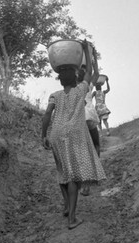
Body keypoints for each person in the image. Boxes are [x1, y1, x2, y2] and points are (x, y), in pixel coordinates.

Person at [42, 40, 106, 230]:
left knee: (62, 171)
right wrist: (88, 52)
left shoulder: (55, 95)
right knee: (73, 177)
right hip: (74, 135)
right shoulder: (81, 91)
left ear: (61, 80)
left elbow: (47, 115)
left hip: (55, 134)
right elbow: (92, 74)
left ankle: (66, 205)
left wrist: (43, 135)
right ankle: (72, 218)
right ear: (75, 78)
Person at [78, 46, 101, 196]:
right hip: (89, 118)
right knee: (96, 145)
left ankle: (83, 184)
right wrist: (92, 54)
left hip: (78, 119)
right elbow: (95, 72)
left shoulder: (73, 86)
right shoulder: (88, 85)